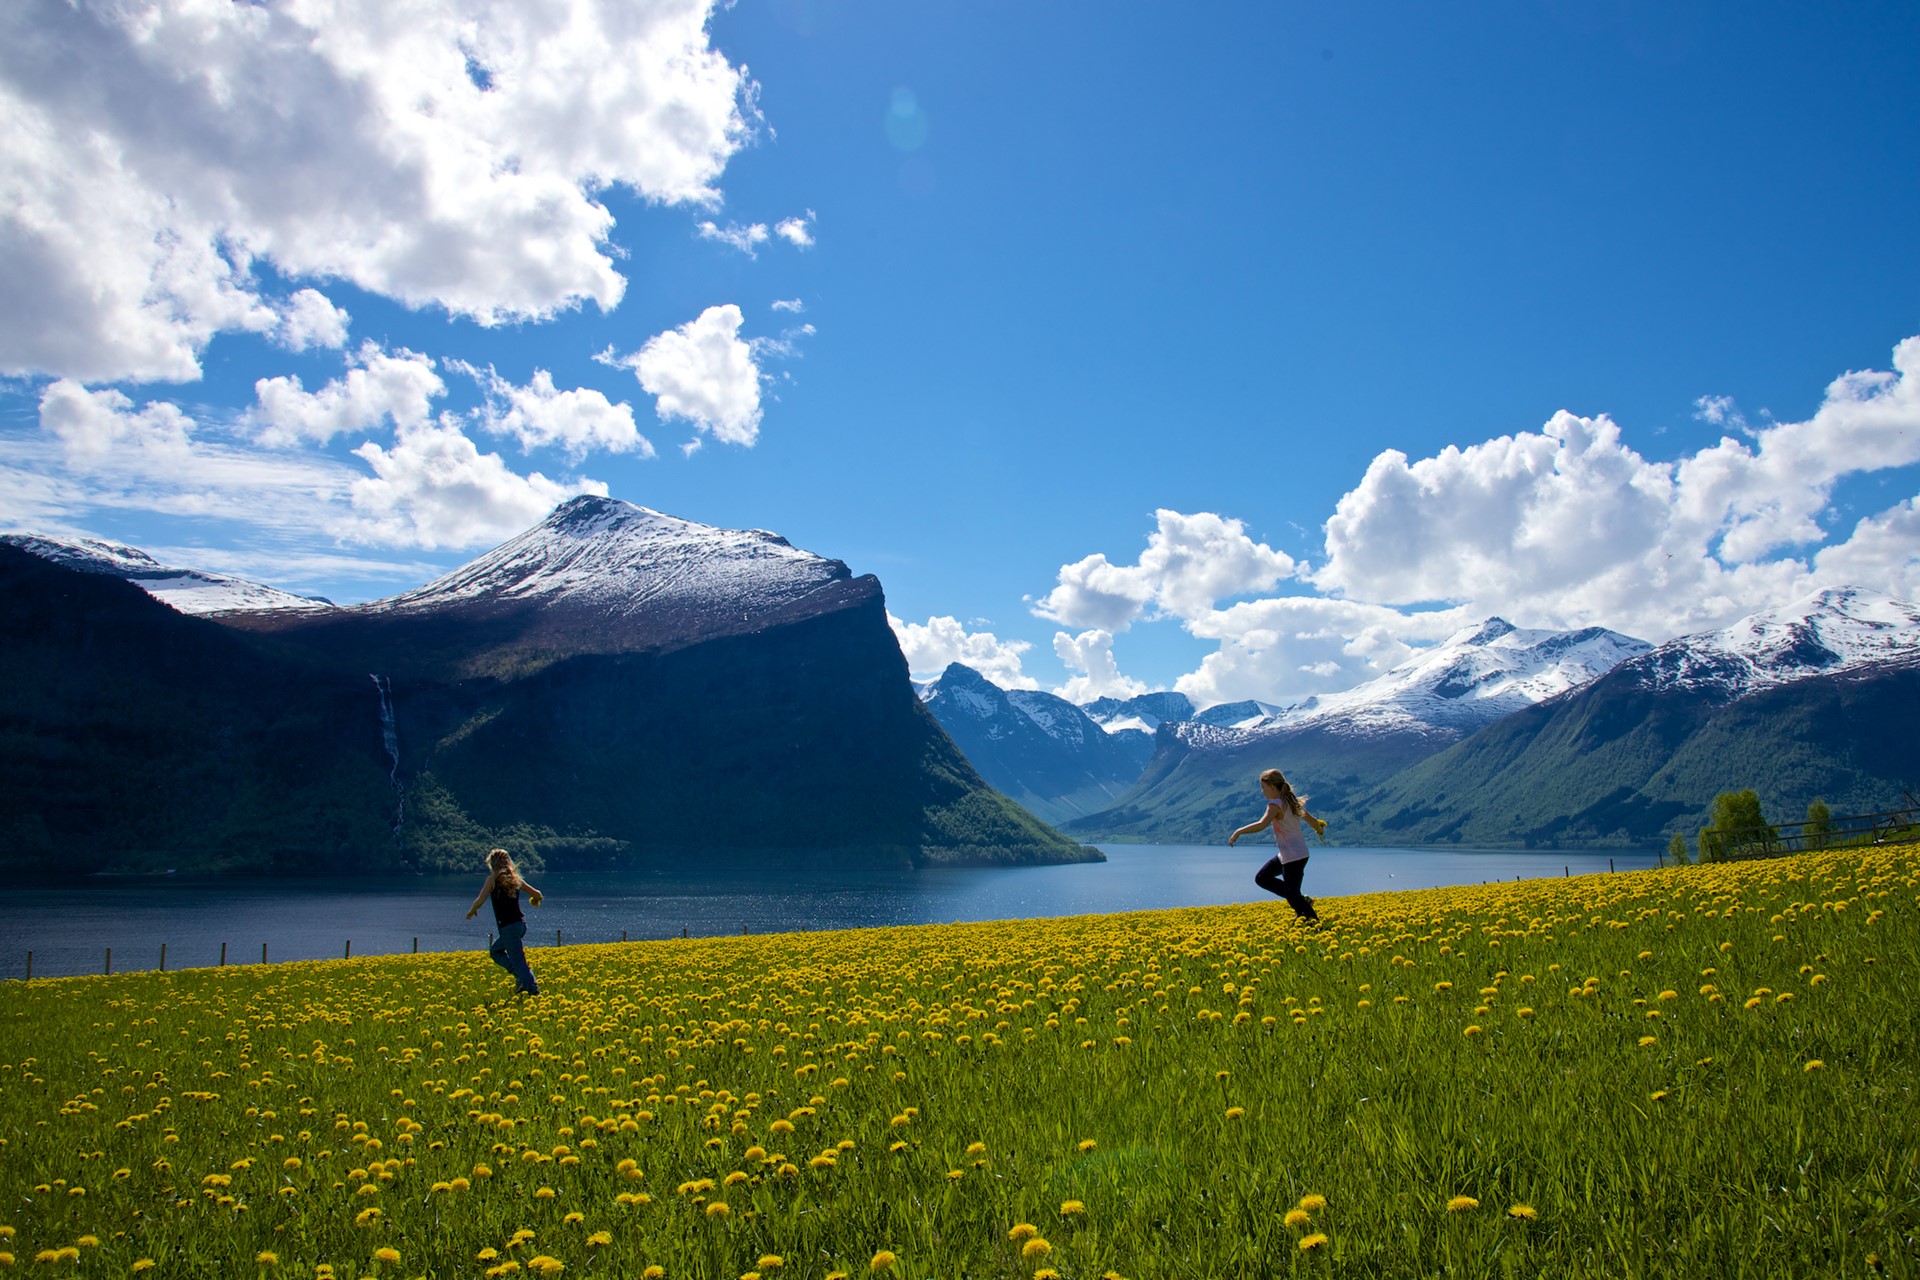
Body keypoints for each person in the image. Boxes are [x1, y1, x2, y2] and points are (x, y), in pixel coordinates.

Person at [1227, 768, 1329, 923]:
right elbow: (1310, 820)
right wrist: (1319, 829)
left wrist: (1238, 832)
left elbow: (1262, 824)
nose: (1262, 791)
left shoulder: (1275, 805)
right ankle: (1303, 905)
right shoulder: (1291, 801)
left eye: (1263, 787)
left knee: (1293, 895)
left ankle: (1314, 923)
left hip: (1293, 857)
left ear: (1272, 787)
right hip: (1292, 855)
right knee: (1263, 878)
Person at [466, 847, 543, 995]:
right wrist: (536, 899)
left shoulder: (492, 880)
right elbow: (538, 894)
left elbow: (480, 900)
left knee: (518, 961)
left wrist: (472, 910)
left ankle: (533, 991)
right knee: (495, 951)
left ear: (492, 864)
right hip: (520, 925)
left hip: (508, 928)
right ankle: (522, 977)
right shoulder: (516, 878)